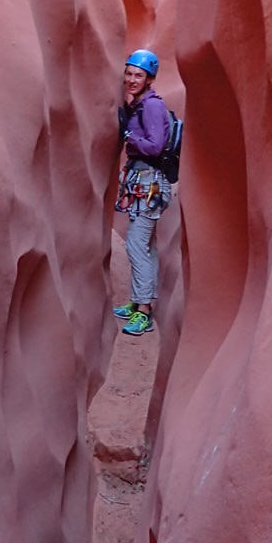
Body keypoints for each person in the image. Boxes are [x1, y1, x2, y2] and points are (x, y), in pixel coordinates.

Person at [113, 49, 176, 335]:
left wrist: (129, 136)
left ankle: (143, 313)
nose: (131, 79)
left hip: (150, 183)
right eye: (129, 73)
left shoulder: (150, 106)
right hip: (144, 182)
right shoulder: (140, 105)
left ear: (149, 79)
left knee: (135, 245)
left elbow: (155, 145)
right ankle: (140, 301)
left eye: (139, 75)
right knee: (146, 246)